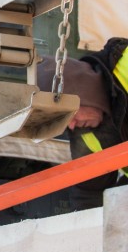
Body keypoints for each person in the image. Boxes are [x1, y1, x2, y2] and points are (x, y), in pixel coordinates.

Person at [37, 37, 128, 209]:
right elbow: (89, 191)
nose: (71, 126)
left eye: (68, 116)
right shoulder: (85, 133)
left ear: (82, 94)